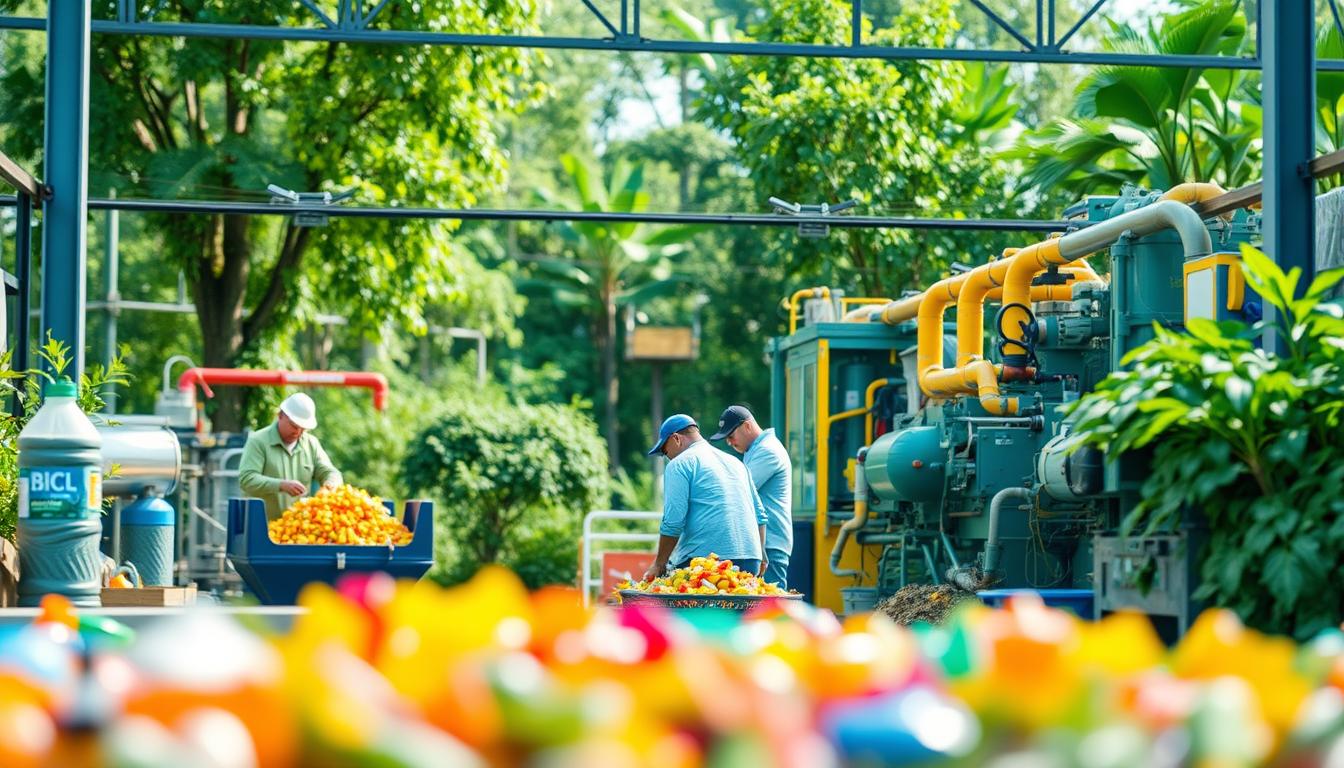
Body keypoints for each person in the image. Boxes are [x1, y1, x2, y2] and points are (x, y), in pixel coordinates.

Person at [641, 414, 768, 582]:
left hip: (706, 566)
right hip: (751, 561)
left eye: (665, 451)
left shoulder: (679, 464)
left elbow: (673, 522)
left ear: (676, 439)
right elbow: (760, 515)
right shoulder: (736, 463)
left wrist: (659, 563)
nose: (668, 457)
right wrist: (762, 556)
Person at [711, 405, 794, 589]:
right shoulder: (756, 450)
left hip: (770, 544)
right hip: (762, 543)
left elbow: (736, 491)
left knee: (771, 611)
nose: (729, 442)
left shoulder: (767, 451)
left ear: (747, 426)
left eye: (731, 436)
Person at [238, 392, 343, 520]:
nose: (298, 432)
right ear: (280, 415)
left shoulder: (311, 444)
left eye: (303, 428)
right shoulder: (258, 441)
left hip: (298, 530)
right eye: (294, 425)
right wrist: (281, 485)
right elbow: (247, 479)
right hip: (260, 528)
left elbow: (329, 472)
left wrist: (331, 484)